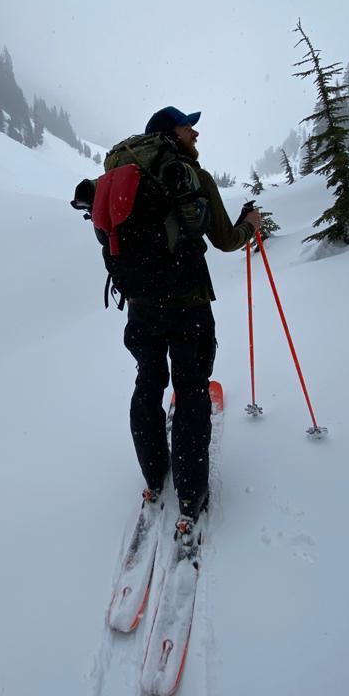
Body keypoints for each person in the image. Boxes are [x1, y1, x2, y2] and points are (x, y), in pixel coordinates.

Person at [123, 106, 261, 539]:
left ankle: (153, 476)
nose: (195, 132)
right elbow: (224, 239)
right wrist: (249, 226)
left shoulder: (126, 178)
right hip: (187, 303)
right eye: (188, 126)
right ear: (170, 134)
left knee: (148, 383)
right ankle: (191, 495)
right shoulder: (189, 175)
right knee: (191, 389)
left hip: (141, 304)